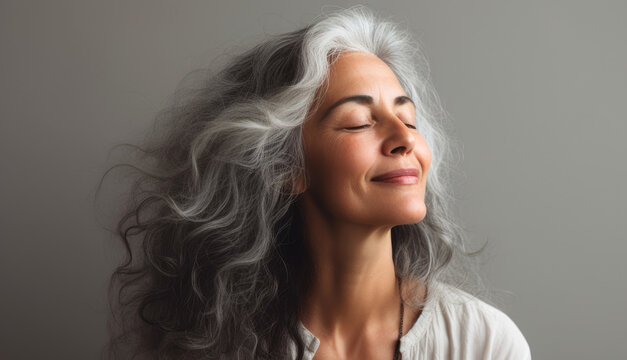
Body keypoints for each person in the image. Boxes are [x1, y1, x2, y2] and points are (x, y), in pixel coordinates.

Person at [103, 5, 531, 360]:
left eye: (408, 118)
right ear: (286, 168)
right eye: (360, 123)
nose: (405, 140)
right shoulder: (222, 347)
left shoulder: (486, 344)